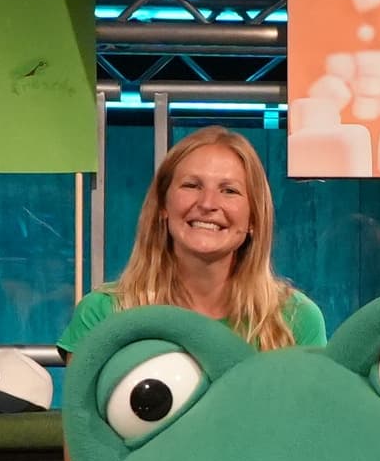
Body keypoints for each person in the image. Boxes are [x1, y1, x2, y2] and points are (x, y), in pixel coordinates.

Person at [65, 127, 328, 356]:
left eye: (229, 191)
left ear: (253, 219)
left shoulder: (295, 319)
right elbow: (83, 413)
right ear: (163, 206)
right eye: (191, 185)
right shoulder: (104, 313)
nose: (207, 204)